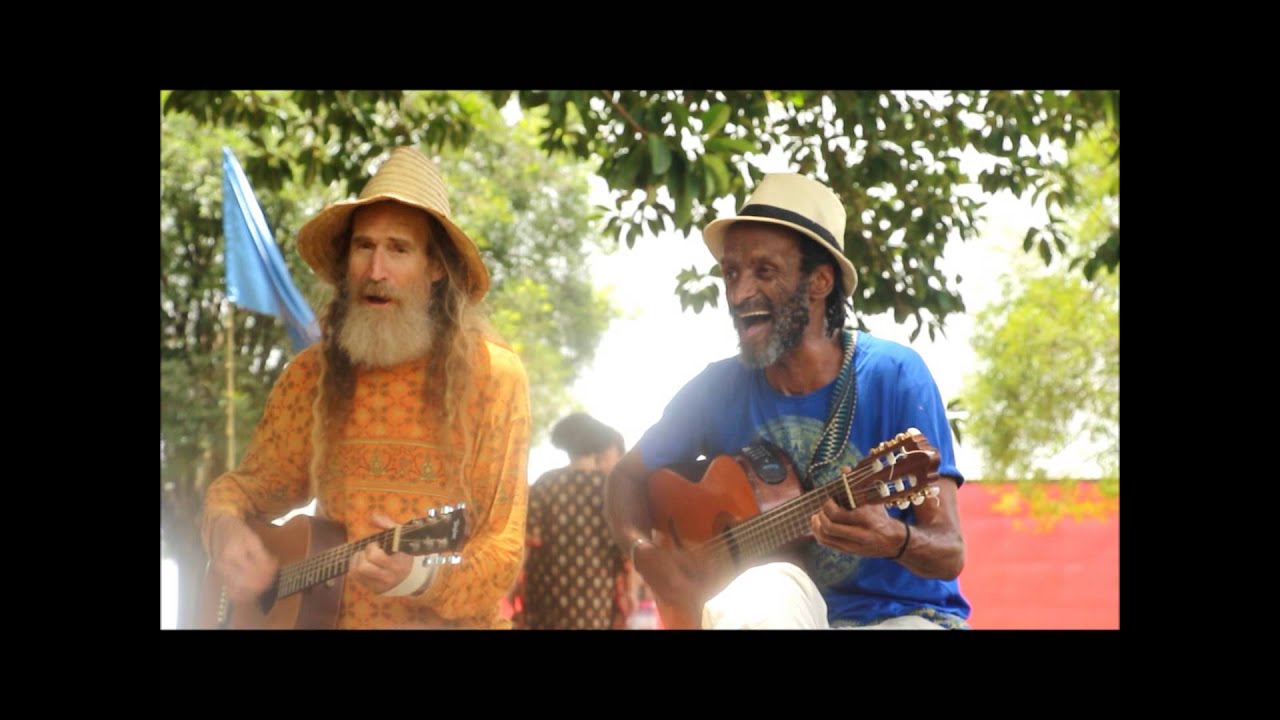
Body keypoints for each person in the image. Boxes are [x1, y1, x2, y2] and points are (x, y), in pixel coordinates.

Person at [604, 173, 970, 629]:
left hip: (902, 616)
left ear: (818, 281)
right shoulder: (716, 389)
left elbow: (949, 551)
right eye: (731, 273)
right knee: (764, 589)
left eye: (764, 271)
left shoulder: (893, 375)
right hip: (781, 614)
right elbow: (625, 478)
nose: (738, 295)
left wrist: (895, 538)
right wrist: (643, 553)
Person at [201, 146, 531, 629]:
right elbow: (246, 488)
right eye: (364, 247)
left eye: (399, 249)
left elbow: (502, 546)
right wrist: (227, 531)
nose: (376, 272)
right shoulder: (310, 375)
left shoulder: (493, 376)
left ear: (436, 267)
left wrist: (419, 577)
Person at [513, 413, 639, 629]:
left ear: (565, 443)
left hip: (545, 597)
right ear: (598, 444)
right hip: (596, 600)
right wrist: (631, 591)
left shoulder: (546, 484)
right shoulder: (611, 490)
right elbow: (628, 550)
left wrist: (513, 586)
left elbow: (527, 545)